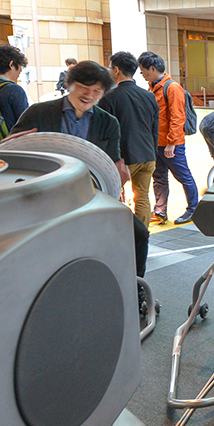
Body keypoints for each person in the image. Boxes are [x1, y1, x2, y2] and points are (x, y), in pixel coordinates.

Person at [10, 60, 149, 285]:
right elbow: (13, 153)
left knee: (138, 232)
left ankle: (135, 288)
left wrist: (118, 176)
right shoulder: (38, 112)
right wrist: (8, 144)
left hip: (88, 195)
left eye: (97, 91)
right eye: (84, 88)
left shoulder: (108, 122)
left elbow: (111, 163)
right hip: (43, 196)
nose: (89, 95)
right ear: (69, 84)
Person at [100, 51, 159, 227]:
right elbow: (154, 129)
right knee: (142, 197)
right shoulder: (149, 96)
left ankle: (121, 234)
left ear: (116, 70)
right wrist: (153, 152)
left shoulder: (109, 97)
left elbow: (105, 133)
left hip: (123, 158)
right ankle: (143, 235)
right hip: (148, 155)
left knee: (114, 196)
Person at [139, 51, 198, 226]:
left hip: (171, 144)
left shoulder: (172, 88)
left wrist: (172, 143)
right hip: (156, 143)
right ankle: (160, 210)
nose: (141, 74)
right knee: (159, 177)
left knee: (183, 176)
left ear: (152, 68)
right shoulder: (153, 87)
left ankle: (193, 209)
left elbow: (177, 118)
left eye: (143, 70)